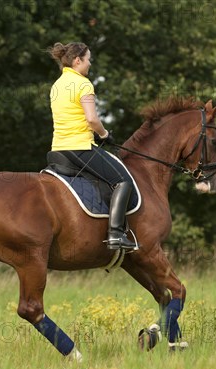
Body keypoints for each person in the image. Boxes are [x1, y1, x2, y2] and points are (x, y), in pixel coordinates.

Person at [48, 42, 138, 250]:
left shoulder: (57, 85)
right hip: (80, 147)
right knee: (123, 181)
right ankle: (116, 234)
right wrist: (104, 134)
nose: (90, 64)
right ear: (77, 60)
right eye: (88, 59)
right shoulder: (83, 84)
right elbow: (92, 119)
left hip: (58, 150)